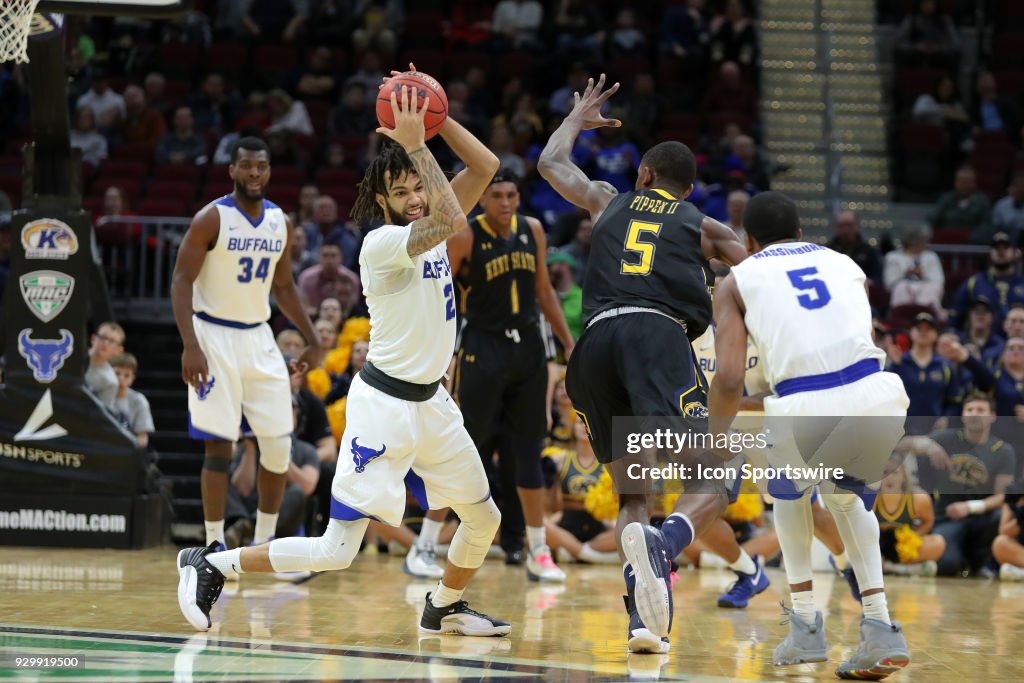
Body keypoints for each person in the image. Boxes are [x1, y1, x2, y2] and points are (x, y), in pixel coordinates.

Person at [176, 85, 512, 638]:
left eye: (416, 189)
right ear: (381, 201)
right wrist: (416, 146)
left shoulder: (431, 218)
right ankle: (211, 563)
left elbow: (488, 164)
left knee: (485, 517)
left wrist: (438, 120)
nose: (413, 197)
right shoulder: (383, 245)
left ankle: (444, 606)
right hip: (383, 406)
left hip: (433, 403)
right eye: (400, 191)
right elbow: (452, 221)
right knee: (336, 551)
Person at [537, 73, 746, 653]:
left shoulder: (608, 199)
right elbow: (761, 274)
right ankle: (669, 540)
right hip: (655, 339)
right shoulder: (706, 228)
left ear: (645, 175)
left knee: (634, 494)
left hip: (595, 345)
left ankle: (644, 624)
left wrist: (578, 118)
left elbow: (552, 165)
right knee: (718, 472)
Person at [710, 191, 911, 679]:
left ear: (748, 240)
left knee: (790, 498)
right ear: (801, 233)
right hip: (878, 393)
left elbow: (732, 378)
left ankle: (804, 627)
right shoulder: (845, 262)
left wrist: (713, 439)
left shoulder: (737, 280)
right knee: (846, 502)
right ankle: (881, 628)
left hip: (803, 402)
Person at [170, 136, 321, 569]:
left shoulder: (280, 222)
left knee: (277, 446)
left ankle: (264, 542)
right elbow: (181, 280)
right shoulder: (211, 218)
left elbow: (286, 287)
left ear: (269, 171)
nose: (255, 173)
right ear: (232, 170)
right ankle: (215, 546)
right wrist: (190, 344)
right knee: (219, 447)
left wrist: (310, 337)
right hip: (213, 336)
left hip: (259, 338)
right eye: (247, 166)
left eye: (262, 167)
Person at [447, 169, 576, 582]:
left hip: (528, 350)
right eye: (497, 195)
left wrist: (568, 343)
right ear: (482, 200)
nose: (506, 203)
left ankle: (538, 550)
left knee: (528, 450)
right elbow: (440, 295)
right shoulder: (466, 234)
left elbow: (543, 290)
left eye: (512, 195)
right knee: (468, 449)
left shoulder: (533, 229)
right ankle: (432, 541)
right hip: (482, 347)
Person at [110, 352, 155, 448]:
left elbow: (142, 439)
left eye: (127, 375)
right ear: (108, 373)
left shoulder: (139, 401)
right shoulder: (98, 396)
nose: (121, 379)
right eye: (117, 373)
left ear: (132, 379)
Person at [86, 321, 125, 408]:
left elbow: (100, 415)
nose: (105, 343)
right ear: (93, 338)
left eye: (112, 341)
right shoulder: (70, 356)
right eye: (103, 337)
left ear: (119, 350)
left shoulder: (111, 382)